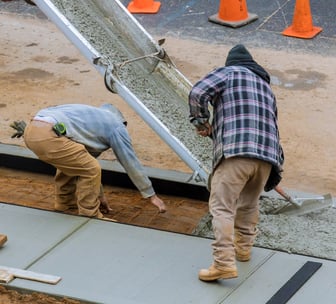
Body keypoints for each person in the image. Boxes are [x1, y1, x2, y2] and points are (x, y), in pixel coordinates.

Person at [189, 44, 284, 281]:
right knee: (249, 204)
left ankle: (223, 263)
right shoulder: (266, 88)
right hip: (266, 158)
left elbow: (198, 92)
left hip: (236, 152)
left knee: (222, 207)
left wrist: (201, 122)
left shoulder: (229, 72)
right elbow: (273, 125)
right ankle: (243, 249)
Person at [22, 103, 166, 219]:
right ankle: (89, 214)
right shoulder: (116, 126)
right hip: (49, 134)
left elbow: (81, 162)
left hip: (31, 130)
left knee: (74, 162)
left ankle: (64, 203)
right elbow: (130, 162)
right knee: (91, 169)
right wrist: (151, 194)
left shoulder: (87, 118)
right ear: (122, 121)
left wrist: (99, 195)